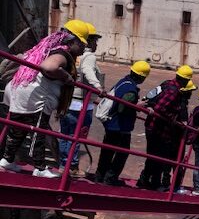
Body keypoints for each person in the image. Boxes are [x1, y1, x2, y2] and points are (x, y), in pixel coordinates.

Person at [0, 20, 89, 178]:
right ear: (73, 40)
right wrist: (66, 76)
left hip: (19, 91)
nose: (83, 49)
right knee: (38, 131)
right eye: (82, 44)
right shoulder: (63, 54)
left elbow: (23, 57)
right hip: (37, 97)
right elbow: (49, 67)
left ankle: (7, 160)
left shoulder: (46, 48)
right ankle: (40, 168)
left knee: (17, 130)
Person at [137, 65, 193, 192]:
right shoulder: (174, 91)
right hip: (157, 129)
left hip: (152, 126)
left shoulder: (167, 83)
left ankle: (146, 181)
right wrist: (172, 118)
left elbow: (151, 96)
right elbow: (160, 108)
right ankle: (152, 183)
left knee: (153, 157)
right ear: (185, 81)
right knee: (157, 157)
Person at [95, 60, 150, 186]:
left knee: (107, 152)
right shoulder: (131, 90)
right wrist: (139, 105)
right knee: (122, 154)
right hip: (120, 127)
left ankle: (100, 176)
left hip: (111, 123)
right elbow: (122, 108)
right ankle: (110, 179)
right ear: (142, 77)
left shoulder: (124, 81)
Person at [59, 22, 103, 177]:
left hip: (69, 100)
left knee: (65, 134)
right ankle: (72, 167)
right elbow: (87, 71)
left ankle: (64, 164)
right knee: (76, 136)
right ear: (89, 40)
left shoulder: (74, 54)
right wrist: (98, 87)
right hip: (82, 103)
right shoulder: (89, 56)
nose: (96, 44)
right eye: (95, 40)